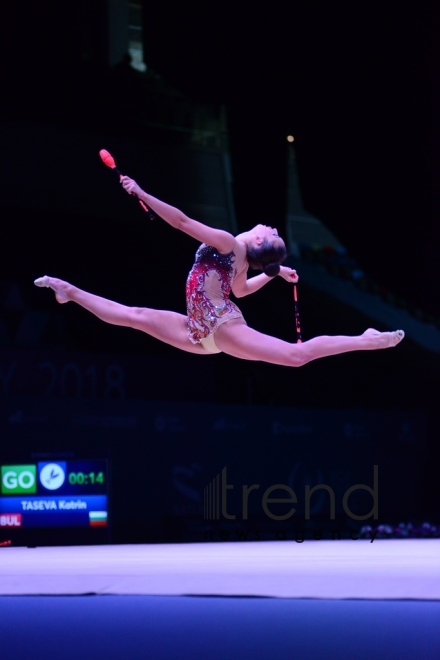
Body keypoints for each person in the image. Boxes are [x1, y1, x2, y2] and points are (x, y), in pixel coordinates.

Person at [34, 175, 404, 365]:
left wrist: (142, 194)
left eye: (271, 233)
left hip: (221, 325)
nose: (269, 226)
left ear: (260, 242)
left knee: (295, 356)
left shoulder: (229, 243)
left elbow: (180, 222)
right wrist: (272, 275)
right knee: (135, 316)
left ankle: (367, 339)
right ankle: (69, 291)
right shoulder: (241, 258)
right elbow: (240, 291)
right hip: (198, 330)